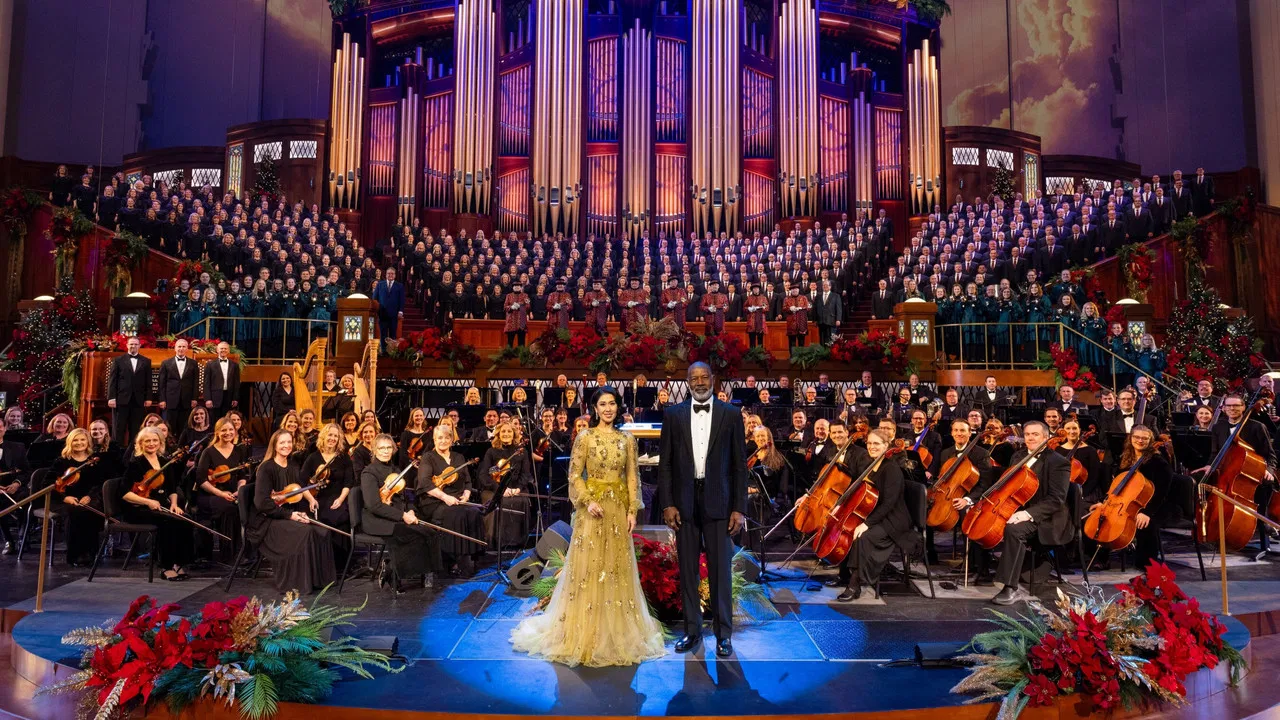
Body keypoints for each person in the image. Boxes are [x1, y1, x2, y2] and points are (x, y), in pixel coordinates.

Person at [510, 385, 665, 667]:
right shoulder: (585, 437)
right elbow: (574, 476)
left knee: (616, 567)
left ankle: (615, 630)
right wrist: (587, 500)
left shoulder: (627, 439)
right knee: (589, 566)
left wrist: (633, 510)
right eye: (602, 404)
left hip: (618, 510)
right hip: (591, 510)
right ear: (594, 408)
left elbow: (633, 477)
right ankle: (585, 630)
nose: (608, 409)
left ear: (618, 407)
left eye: (612, 403)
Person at [658, 363, 747, 657]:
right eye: (694, 378)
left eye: (704, 377)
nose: (699, 382)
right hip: (683, 505)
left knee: (720, 573)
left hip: (719, 503)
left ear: (713, 380)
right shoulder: (673, 415)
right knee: (688, 572)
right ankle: (692, 632)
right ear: (687, 382)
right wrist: (668, 503)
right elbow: (665, 464)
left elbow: (739, 466)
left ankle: (723, 636)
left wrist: (739, 508)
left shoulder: (730, 414)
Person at [955, 421, 1070, 605]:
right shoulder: (1018, 456)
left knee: (1014, 530)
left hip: (1046, 517)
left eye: (1035, 434)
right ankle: (981, 568)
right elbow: (1008, 488)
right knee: (982, 522)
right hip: (1017, 509)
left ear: (1046, 437)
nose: (1030, 438)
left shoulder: (1058, 462)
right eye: (1027, 434)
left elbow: (1056, 500)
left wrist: (1028, 514)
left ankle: (1010, 587)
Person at [247, 430, 337, 592]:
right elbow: (262, 503)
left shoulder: (293, 466)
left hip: (287, 515)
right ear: (274, 445)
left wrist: (302, 511)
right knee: (305, 532)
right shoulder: (266, 468)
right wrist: (290, 515)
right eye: (282, 442)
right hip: (267, 521)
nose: (286, 445)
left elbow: (297, 493)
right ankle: (300, 584)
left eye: (289, 442)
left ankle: (320, 581)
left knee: (322, 531)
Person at [360, 433, 444, 593]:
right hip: (376, 519)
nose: (386, 451)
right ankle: (392, 571)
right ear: (374, 450)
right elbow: (374, 505)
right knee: (412, 535)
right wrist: (402, 516)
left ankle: (427, 572)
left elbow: (404, 498)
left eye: (389, 447)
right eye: (382, 448)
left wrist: (410, 509)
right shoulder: (368, 473)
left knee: (430, 532)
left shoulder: (396, 470)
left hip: (397, 515)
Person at [836, 428, 912, 601]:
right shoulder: (870, 465)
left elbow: (889, 503)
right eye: (869, 443)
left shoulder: (891, 469)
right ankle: (845, 575)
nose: (872, 446)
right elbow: (857, 490)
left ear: (886, 445)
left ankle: (854, 585)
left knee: (863, 537)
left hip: (893, 519)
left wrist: (867, 524)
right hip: (876, 514)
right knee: (850, 530)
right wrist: (840, 506)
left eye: (876, 443)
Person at [1088, 425, 1171, 569]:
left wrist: (1147, 512)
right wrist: (1104, 502)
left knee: (1144, 524)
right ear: (1130, 439)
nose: (1140, 440)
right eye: (1136, 437)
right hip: (1127, 502)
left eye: (1144, 438)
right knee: (1102, 518)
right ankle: (1102, 559)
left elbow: (1162, 491)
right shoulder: (1126, 458)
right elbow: (1116, 485)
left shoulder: (1158, 462)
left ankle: (1147, 564)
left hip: (1154, 505)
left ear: (1150, 441)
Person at [120, 427, 196, 581]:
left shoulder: (165, 462)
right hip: (137, 508)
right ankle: (166, 567)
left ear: (160, 442)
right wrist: (147, 501)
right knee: (167, 521)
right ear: (141, 443)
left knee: (185, 519)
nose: (151, 443)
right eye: (147, 440)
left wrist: (174, 504)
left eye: (155, 440)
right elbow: (125, 493)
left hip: (160, 506)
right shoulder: (135, 463)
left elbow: (172, 488)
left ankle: (179, 563)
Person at [416, 424, 485, 576]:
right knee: (458, 514)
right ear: (434, 439)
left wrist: (466, 495)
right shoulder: (428, 457)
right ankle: (457, 560)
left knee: (474, 512)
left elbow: (468, 481)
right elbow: (425, 483)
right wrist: (445, 497)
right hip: (435, 501)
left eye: (447, 438)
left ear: (451, 440)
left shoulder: (458, 457)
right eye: (439, 438)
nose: (443, 441)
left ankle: (470, 557)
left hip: (457, 500)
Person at [194, 417, 251, 562]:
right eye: (224, 430)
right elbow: (201, 480)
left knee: (239, 506)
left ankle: (235, 553)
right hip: (210, 495)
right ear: (217, 432)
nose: (228, 433)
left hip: (232, 494)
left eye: (231, 429)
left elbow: (242, 475)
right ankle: (230, 554)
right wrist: (221, 494)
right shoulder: (208, 452)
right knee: (230, 507)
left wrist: (239, 490)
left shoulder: (239, 450)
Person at [48, 429, 105, 566]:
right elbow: (47, 483)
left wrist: (90, 496)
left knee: (93, 511)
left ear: (88, 442)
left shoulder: (94, 461)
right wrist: (64, 497)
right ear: (70, 442)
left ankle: (91, 553)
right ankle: (75, 555)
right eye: (75, 440)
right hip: (63, 499)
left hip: (87, 497)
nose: (79, 443)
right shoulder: (62, 461)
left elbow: (100, 483)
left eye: (82, 440)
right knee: (75, 512)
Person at [302, 423, 356, 558]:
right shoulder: (313, 457)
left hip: (338, 496)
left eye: (336, 436)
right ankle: (322, 557)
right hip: (318, 497)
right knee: (320, 516)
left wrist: (341, 499)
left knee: (340, 516)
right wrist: (311, 499)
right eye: (330, 435)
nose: (332, 438)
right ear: (323, 437)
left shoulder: (344, 458)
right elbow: (302, 483)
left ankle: (340, 559)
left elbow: (348, 482)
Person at [478, 421, 534, 547]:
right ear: (498, 434)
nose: (506, 434)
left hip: (516, 488)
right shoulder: (491, 452)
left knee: (522, 500)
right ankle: (495, 541)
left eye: (509, 431)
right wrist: (499, 489)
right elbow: (484, 474)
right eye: (503, 431)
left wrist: (518, 488)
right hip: (495, 488)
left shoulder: (521, 452)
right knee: (495, 501)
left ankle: (518, 542)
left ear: (514, 434)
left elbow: (525, 474)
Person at [742, 425, 789, 557]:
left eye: (763, 435)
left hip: (765, 495)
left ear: (769, 438)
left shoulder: (776, 457)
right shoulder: (750, 454)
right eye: (758, 436)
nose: (760, 438)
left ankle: (750, 546)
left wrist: (752, 490)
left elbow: (772, 485)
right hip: (748, 490)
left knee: (749, 501)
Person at [107, 336, 153, 447]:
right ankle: (117, 453)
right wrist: (111, 397)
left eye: (136, 344)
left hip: (138, 400)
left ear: (139, 346)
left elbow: (148, 382)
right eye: (131, 344)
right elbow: (112, 380)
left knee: (136, 430)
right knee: (118, 429)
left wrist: (148, 398)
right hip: (121, 400)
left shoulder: (146, 361)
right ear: (127, 345)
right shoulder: (118, 360)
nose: (133, 346)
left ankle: (133, 454)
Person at [157, 339, 199, 439]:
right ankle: (168, 446)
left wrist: (194, 398)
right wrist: (162, 399)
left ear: (187, 349)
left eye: (184, 347)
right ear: (175, 348)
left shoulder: (193, 363)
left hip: (186, 400)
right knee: (169, 426)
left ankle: (182, 446)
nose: (181, 349)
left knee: (184, 427)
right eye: (179, 346)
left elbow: (195, 382)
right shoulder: (166, 363)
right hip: (170, 400)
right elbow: (161, 383)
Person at [202, 341, 240, 423]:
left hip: (229, 397)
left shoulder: (234, 365)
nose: (223, 350)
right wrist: (208, 399)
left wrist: (235, 398)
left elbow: (236, 383)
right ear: (217, 350)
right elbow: (206, 383)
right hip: (214, 398)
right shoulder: (210, 365)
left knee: (228, 420)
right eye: (221, 348)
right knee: (214, 421)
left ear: (228, 350)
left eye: (225, 348)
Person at [373, 266, 406, 343]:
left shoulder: (400, 286)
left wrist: (400, 311)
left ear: (395, 275)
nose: (390, 275)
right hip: (382, 314)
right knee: (383, 335)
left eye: (392, 273)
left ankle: (391, 350)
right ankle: (383, 349)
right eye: (388, 273)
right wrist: (376, 310)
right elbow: (375, 298)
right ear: (386, 274)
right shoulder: (380, 284)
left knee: (393, 335)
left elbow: (402, 300)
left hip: (394, 314)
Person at [504, 282, 531, 347]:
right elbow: (505, 307)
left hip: (521, 321)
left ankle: (521, 353)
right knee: (510, 341)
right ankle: (509, 353)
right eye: (515, 286)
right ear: (513, 288)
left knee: (521, 341)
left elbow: (528, 306)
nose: (516, 287)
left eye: (518, 286)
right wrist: (511, 307)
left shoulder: (525, 295)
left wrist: (520, 306)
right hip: (511, 321)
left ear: (521, 288)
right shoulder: (508, 295)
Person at [816, 278, 842, 344]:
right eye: (823, 285)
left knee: (831, 340)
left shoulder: (836, 296)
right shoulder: (818, 296)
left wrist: (838, 319)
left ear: (830, 286)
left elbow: (839, 309)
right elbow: (815, 309)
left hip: (831, 321)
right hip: (821, 322)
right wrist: (815, 319)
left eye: (826, 285)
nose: (825, 286)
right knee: (822, 340)